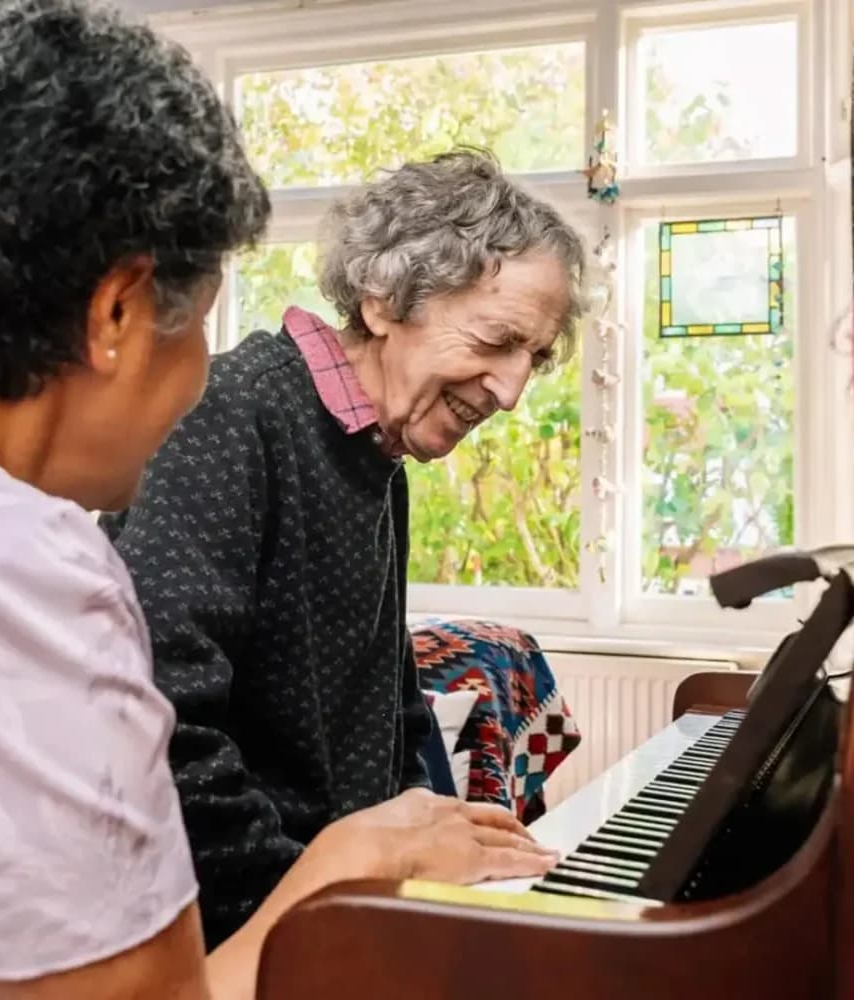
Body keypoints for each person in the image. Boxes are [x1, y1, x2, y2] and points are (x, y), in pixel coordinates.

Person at [0, 3, 558, 999]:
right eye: (196, 326)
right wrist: (335, 873)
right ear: (115, 313)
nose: (199, 374)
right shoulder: (13, 565)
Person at [104, 148, 586, 948]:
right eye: (498, 339)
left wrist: (431, 848)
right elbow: (159, 726)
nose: (510, 392)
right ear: (386, 297)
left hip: (341, 908)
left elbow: (389, 710)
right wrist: (323, 912)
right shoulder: (229, 417)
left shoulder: (380, 462)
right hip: (246, 934)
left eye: (532, 358)